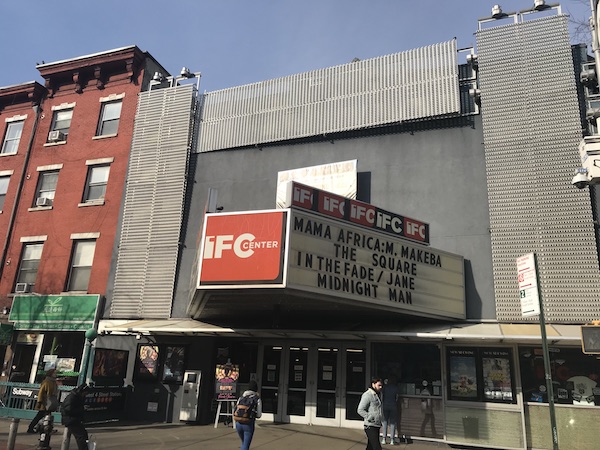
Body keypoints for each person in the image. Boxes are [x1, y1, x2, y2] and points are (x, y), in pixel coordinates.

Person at [27, 368, 58, 434]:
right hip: (45, 402)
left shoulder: (54, 382)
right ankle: (31, 428)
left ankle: (46, 428)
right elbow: (41, 392)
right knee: (40, 416)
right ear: (50, 374)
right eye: (54, 373)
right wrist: (40, 401)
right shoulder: (46, 382)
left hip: (50, 401)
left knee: (47, 417)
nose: (55, 374)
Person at [357, 377, 384, 450]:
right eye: (379, 385)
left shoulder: (378, 394)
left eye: (381, 385)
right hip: (370, 425)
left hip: (377, 424)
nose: (380, 387)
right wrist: (370, 417)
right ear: (373, 384)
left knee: (371, 447)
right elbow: (360, 410)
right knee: (377, 447)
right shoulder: (367, 395)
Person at [235, 380, 262, 450]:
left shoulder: (241, 397)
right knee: (245, 445)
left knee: (244, 443)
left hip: (238, 423)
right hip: (248, 424)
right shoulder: (257, 399)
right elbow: (259, 415)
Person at [61, 384, 89, 450]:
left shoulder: (77, 396)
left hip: (74, 419)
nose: (85, 395)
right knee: (81, 436)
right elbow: (68, 409)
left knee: (83, 434)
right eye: (85, 393)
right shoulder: (72, 397)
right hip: (70, 420)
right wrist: (82, 409)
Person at [381, 376, 400, 445]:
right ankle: (392, 439)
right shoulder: (396, 388)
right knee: (392, 423)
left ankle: (384, 439)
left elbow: (382, 396)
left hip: (385, 405)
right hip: (393, 406)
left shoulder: (385, 387)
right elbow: (397, 397)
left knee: (385, 422)